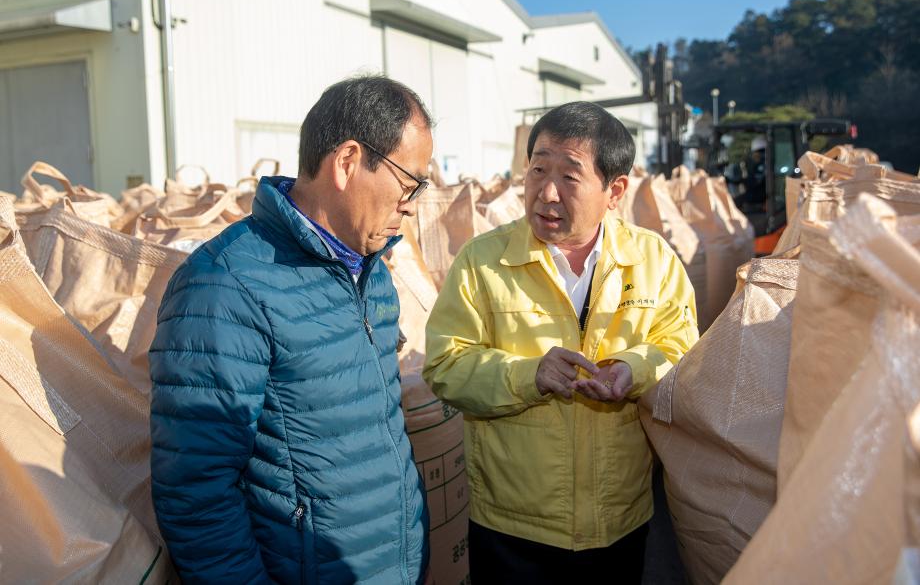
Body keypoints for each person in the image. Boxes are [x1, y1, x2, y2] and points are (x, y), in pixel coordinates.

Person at [149, 75, 432, 584]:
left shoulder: (372, 271)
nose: (411, 203)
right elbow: (196, 490)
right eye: (408, 182)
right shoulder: (225, 285)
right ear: (347, 162)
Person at [423, 101, 699, 584]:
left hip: (617, 518)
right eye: (537, 170)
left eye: (569, 177)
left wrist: (633, 369)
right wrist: (528, 375)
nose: (546, 193)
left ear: (615, 191)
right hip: (512, 524)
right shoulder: (482, 261)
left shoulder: (652, 259)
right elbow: (446, 365)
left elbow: (681, 346)